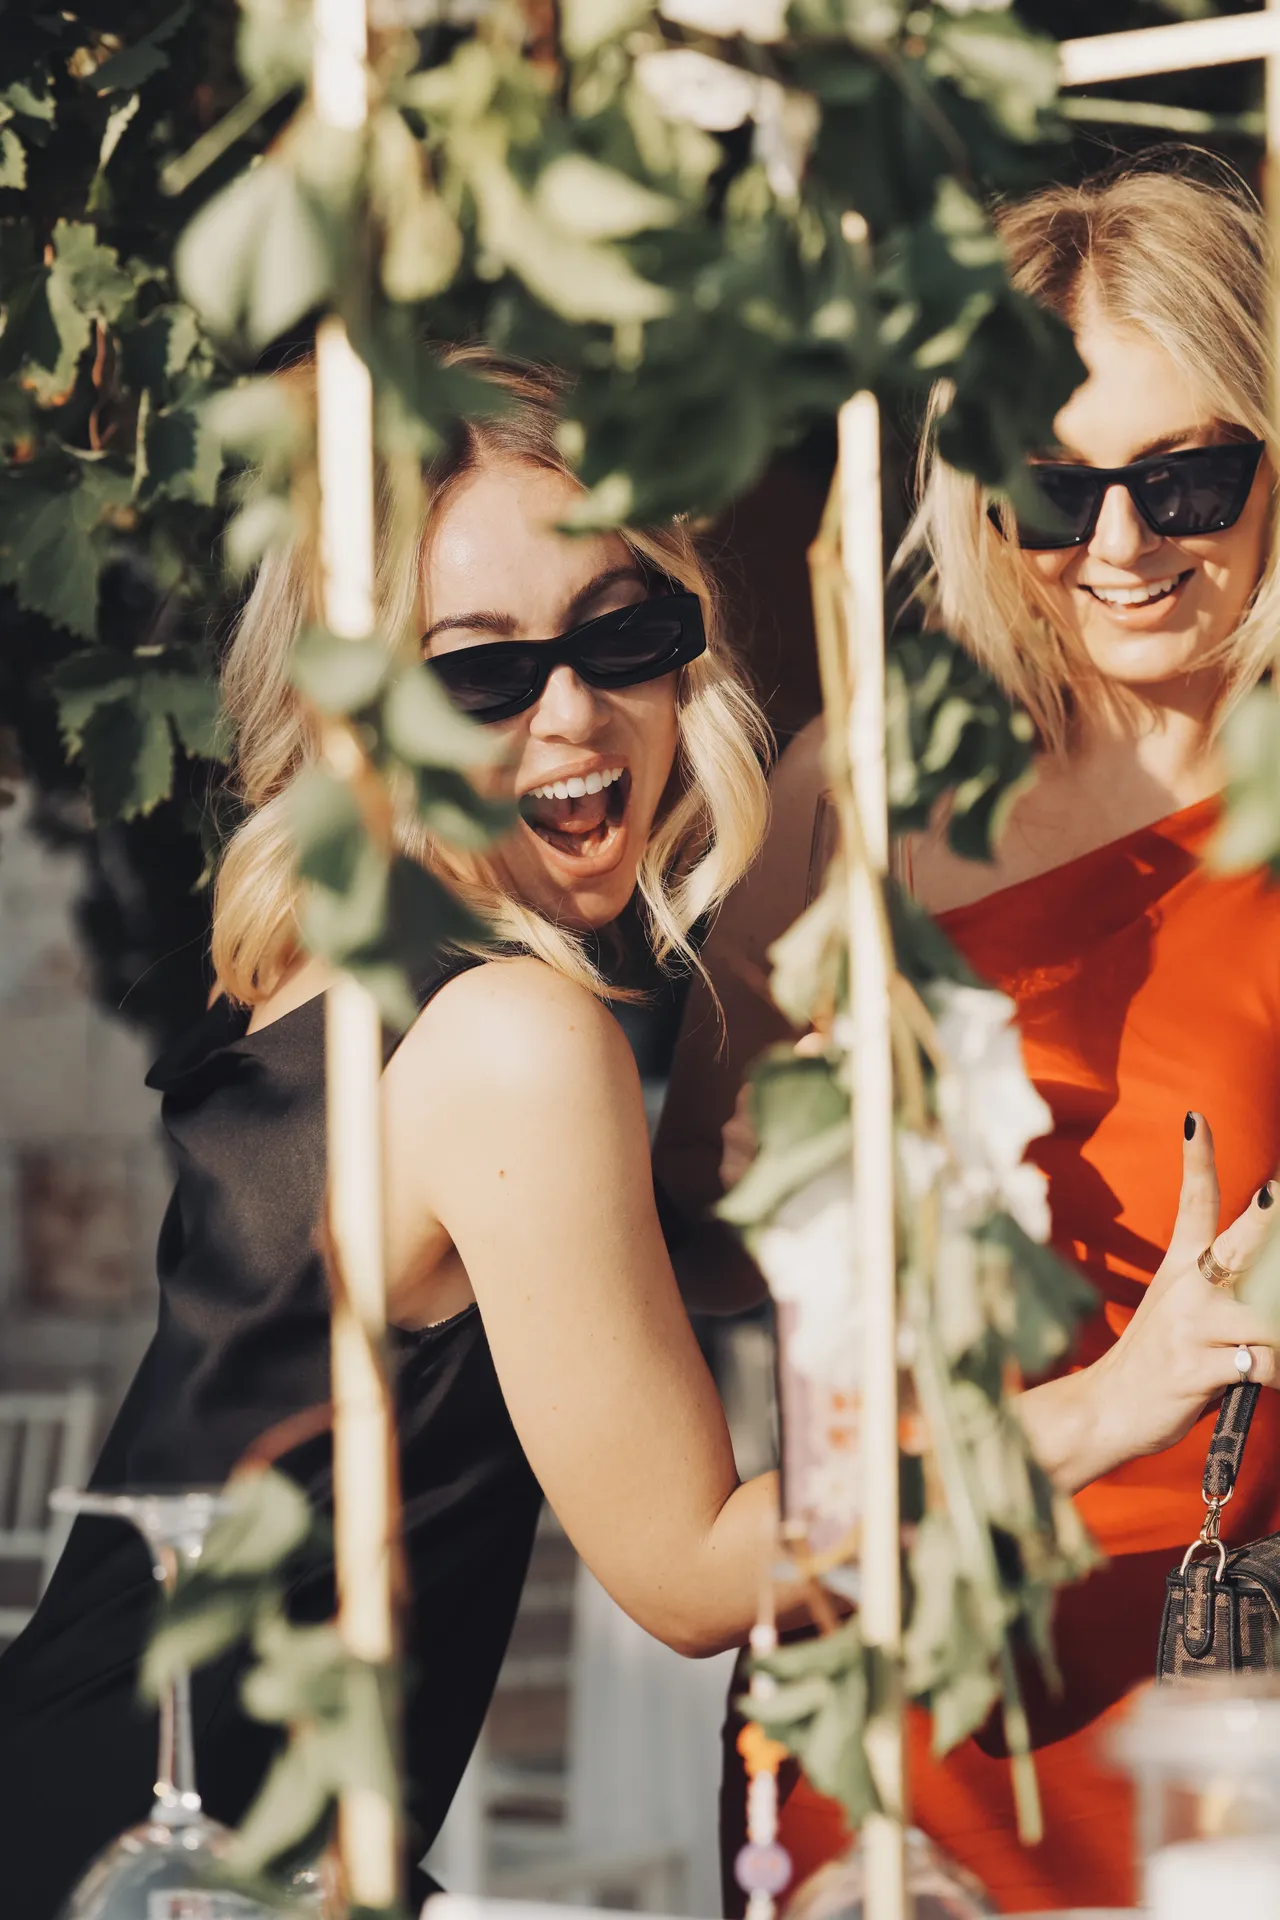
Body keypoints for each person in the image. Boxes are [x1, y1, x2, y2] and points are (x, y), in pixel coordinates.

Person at [0, 347, 786, 1918]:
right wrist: (1090, 1410)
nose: (572, 708)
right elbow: (698, 1570)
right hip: (202, 1873)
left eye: (622, 633)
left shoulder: (331, 974)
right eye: (481, 669)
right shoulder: (513, 1035)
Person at [700, 163, 1280, 1913]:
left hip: (1221, 1702)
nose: (1121, 545)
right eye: (1058, 486)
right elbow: (697, 1214)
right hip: (902, 1680)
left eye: (1184, 478)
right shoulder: (855, 796)